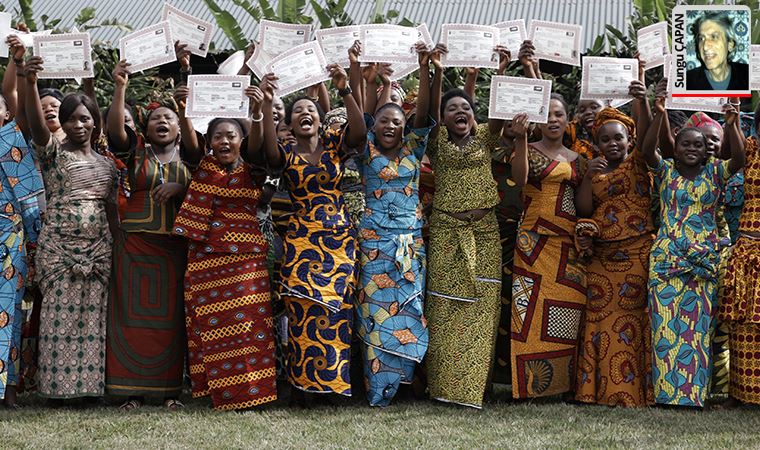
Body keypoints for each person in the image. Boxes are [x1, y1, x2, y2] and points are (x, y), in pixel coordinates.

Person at [259, 64, 366, 399]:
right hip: (301, 240)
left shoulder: (336, 144)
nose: (305, 113)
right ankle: (303, 387)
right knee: (304, 309)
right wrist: (265, 104)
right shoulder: (286, 154)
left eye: (310, 110)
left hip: (339, 242)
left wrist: (344, 88)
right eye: (298, 112)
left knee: (337, 311)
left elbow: (361, 132)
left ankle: (335, 385)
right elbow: (266, 150)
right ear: (289, 124)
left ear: (320, 120)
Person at [104, 54, 197, 410]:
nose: (162, 122)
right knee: (131, 318)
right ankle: (129, 393)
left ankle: (168, 391)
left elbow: (207, 187)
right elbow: (114, 131)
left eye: (169, 118)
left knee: (170, 319)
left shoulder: (190, 157)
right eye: (156, 118)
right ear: (146, 126)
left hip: (175, 248)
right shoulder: (137, 153)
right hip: (135, 245)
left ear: (178, 127)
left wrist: (181, 189)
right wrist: (120, 86)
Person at [24, 56, 119, 401]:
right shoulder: (53, 153)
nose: (77, 124)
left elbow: (112, 212)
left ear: (95, 123)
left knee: (93, 321)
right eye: (70, 119)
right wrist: (30, 81)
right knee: (56, 319)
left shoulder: (108, 166)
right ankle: (55, 391)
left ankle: (90, 390)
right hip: (59, 248)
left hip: (97, 248)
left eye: (84, 118)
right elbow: (36, 124)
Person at [643, 91, 745, 408]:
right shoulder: (666, 172)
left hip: (703, 263)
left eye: (697, 145)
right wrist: (659, 112)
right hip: (667, 261)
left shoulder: (716, 173)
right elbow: (647, 151)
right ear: (676, 147)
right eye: (685, 143)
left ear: (705, 152)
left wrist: (733, 123)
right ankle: (665, 396)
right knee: (664, 330)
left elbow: (739, 159)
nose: (691, 149)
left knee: (696, 332)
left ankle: (692, 397)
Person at [424, 44, 510, 409]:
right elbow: (427, 112)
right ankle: (445, 388)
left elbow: (502, 111)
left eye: (466, 108)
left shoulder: (487, 136)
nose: (460, 112)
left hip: (485, 233)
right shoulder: (436, 139)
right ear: (443, 119)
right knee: (445, 307)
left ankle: (477, 387)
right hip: (446, 232)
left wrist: (501, 69)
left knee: (482, 305)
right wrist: (438, 71)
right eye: (451, 109)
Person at [173, 113, 278, 410]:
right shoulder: (201, 168)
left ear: (241, 141)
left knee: (248, 329)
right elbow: (191, 148)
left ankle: (254, 393)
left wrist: (259, 112)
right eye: (218, 136)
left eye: (231, 136)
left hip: (246, 261)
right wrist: (185, 113)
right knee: (210, 329)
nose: (224, 141)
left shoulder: (254, 170)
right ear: (209, 142)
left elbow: (259, 149)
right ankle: (220, 394)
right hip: (205, 260)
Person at [352, 41, 434, 407]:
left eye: (397, 122)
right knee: (376, 311)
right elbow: (363, 114)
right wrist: (365, 75)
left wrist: (427, 68)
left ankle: (404, 383)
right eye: (384, 120)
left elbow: (426, 112)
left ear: (405, 127)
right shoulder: (366, 147)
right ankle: (377, 390)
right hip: (373, 244)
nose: (390, 126)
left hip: (409, 245)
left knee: (409, 308)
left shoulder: (414, 149)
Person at [574, 98, 654, 407]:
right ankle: (593, 393)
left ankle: (633, 394)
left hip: (636, 255)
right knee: (598, 321)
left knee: (632, 322)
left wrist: (647, 102)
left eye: (618, 137)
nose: (612, 144)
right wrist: (587, 178)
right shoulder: (592, 168)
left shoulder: (638, 162)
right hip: (602, 259)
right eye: (604, 139)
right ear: (596, 143)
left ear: (629, 139)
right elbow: (584, 209)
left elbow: (649, 136)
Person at [509, 94, 587, 399]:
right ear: (538, 120)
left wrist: (591, 176)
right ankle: (528, 387)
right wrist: (519, 140)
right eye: (548, 115)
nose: (553, 120)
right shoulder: (527, 149)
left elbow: (583, 205)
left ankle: (559, 387)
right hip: (533, 242)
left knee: (567, 310)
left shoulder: (579, 159)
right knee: (528, 311)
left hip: (567, 244)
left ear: (568, 120)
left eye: (559, 115)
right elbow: (519, 179)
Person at [0, 94, 44, 409]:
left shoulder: (11, 140)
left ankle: (9, 390)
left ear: (5, 114)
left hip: (8, 240)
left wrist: (20, 66)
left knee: (9, 314)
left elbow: (30, 204)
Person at [718, 101, 760, 407]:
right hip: (748, 246)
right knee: (744, 323)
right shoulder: (753, 149)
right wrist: (731, 123)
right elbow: (733, 156)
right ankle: (743, 395)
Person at [686, 11, 750, 91]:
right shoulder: (687, 81)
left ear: (730, 44)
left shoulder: (748, 74)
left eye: (714, 37)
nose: (705, 47)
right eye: (701, 39)